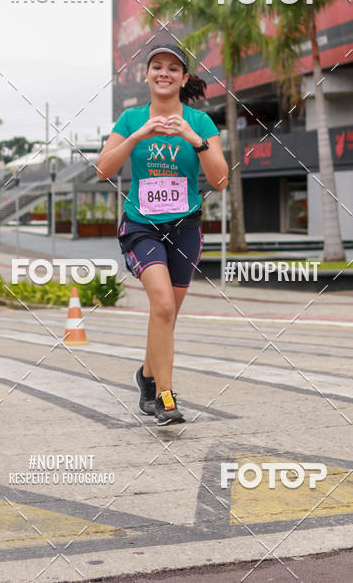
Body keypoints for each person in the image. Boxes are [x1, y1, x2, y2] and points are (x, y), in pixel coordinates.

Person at [97, 44, 229, 425]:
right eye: (157, 67)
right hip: (142, 226)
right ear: (147, 75)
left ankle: (147, 376)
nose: (164, 73)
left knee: (165, 315)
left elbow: (220, 180)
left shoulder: (200, 123)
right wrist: (137, 135)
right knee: (164, 307)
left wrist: (194, 138)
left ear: (184, 78)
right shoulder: (130, 119)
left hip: (185, 227)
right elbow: (103, 170)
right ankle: (165, 399)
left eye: (173, 68)